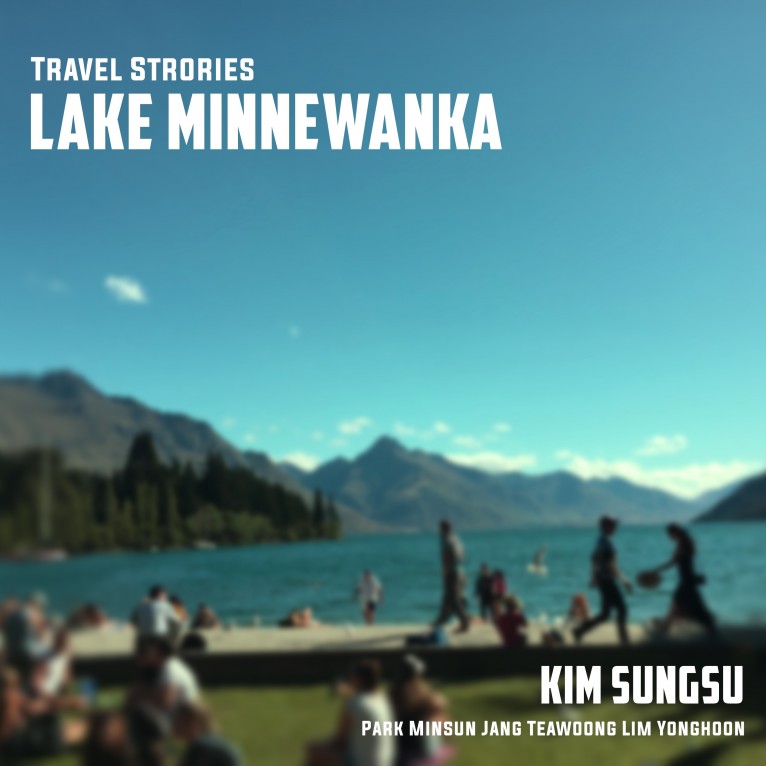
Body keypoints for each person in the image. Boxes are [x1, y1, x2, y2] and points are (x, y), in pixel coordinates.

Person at [307, 660, 395, 766]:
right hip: (386, 762)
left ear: (358, 679)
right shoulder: (383, 701)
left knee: (314, 751)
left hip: (362, 763)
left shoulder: (354, 704)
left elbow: (339, 742)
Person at [0, 666, 88, 759]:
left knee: (73, 726)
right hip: (20, 743)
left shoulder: (11, 695)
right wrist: (69, 703)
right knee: (65, 726)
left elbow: (34, 706)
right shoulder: (10, 696)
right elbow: (35, 708)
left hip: (16, 743)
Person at [573, 516, 632, 645]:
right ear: (606, 527)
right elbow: (611, 566)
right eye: (613, 525)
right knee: (622, 609)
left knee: (605, 614)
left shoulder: (599, 542)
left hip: (602, 581)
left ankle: (579, 631)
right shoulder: (607, 544)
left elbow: (594, 560)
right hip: (607, 581)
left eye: (615, 525)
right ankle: (624, 641)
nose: (615, 528)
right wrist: (624, 581)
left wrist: (594, 577)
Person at [649, 524, 717, 636]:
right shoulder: (687, 541)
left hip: (686, 580)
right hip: (687, 578)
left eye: (669, 534)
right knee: (681, 603)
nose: (669, 537)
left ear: (674, 533)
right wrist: (658, 570)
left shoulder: (683, 543)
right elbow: (680, 559)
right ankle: (666, 626)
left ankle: (710, 628)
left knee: (694, 606)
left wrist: (657, 570)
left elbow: (673, 561)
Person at [390, 655, 453, 766]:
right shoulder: (422, 692)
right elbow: (440, 707)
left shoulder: (394, 693)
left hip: (400, 748)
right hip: (420, 748)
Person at [129, 636, 201, 718]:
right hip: (176, 716)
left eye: (146, 653)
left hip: (181, 719)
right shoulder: (166, 666)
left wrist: (141, 695)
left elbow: (166, 702)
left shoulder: (170, 669)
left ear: (159, 653)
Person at [175, 701, 244, 766]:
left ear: (193, 723)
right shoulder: (219, 743)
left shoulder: (200, 747)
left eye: (179, 722)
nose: (176, 726)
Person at [434, 520, 470, 633]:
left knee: (454, 600)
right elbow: (463, 555)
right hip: (461, 571)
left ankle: (465, 622)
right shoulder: (455, 538)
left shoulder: (445, 539)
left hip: (452, 572)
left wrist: (445, 572)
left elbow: (447, 556)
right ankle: (441, 620)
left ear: (442, 529)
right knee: (447, 597)